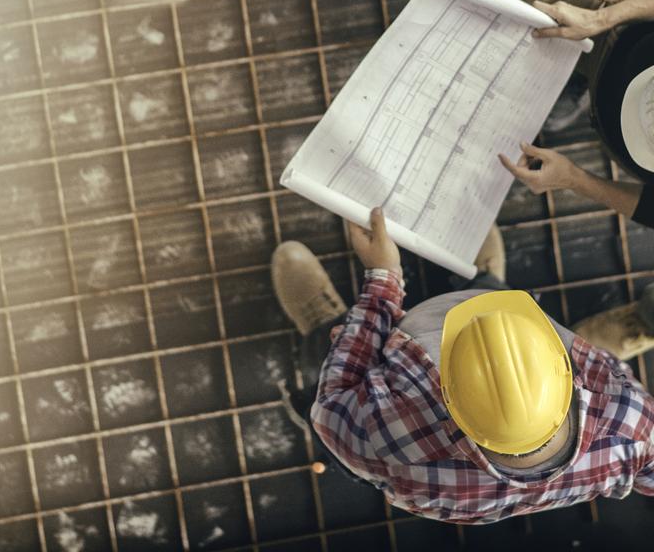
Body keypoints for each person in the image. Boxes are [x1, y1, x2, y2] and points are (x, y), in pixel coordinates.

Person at [273, 208, 654, 524]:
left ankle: (325, 325)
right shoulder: (631, 423)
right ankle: (488, 284)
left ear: (447, 397)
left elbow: (333, 405)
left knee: (331, 350)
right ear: (569, 376)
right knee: (501, 302)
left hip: (389, 346)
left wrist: (382, 280)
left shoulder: (394, 443)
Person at [468, 0, 654, 229]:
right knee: (541, 13)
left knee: (552, 56)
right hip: (618, 33)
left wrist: (573, 179)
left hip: (613, 129)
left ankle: (577, 83)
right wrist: (600, 19)